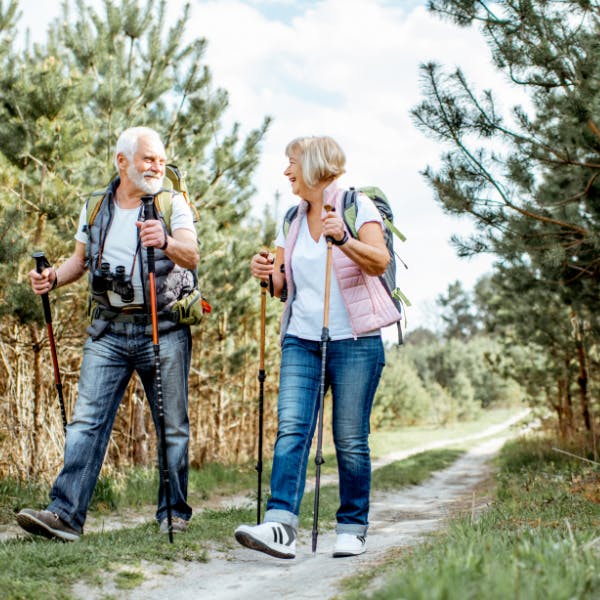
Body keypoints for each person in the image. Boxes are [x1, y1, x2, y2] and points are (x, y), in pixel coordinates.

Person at [17, 126, 199, 541]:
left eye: (161, 159)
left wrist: (166, 241)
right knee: (85, 423)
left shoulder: (172, 204)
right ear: (122, 162)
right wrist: (52, 278)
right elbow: (79, 262)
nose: (157, 166)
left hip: (163, 326)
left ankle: (173, 512)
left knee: (171, 425)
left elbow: (191, 253)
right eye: (148, 159)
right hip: (108, 330)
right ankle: (64, 515)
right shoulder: (96, 206)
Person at [235, 135, 400, 559]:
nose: (286, 171)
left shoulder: (355, 205)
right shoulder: (290, 217)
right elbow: (281, 285)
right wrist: (265, 273)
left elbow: (378, 261)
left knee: (349, 438)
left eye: (291, 162)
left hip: (357, 343)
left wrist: (343, 238)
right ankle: (280, 526)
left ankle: (351, 526)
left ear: (312, 165)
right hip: (301, 339)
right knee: (292, 430)